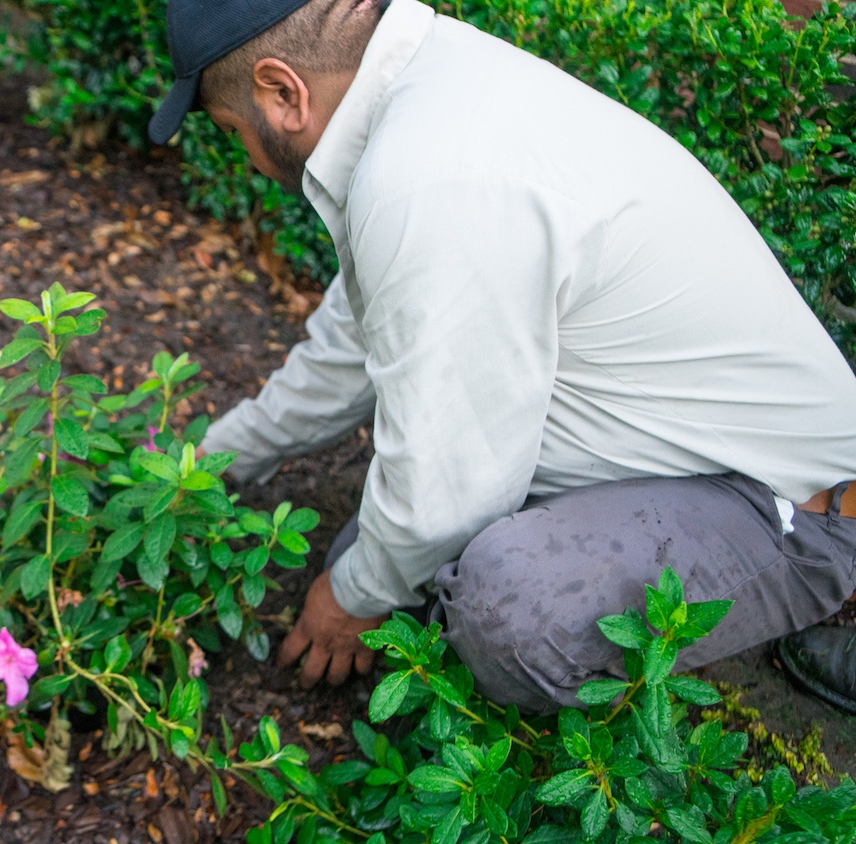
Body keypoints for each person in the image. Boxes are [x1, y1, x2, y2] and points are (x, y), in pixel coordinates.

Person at [148, 0, 856, 713]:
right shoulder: (429, 94)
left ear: (283, 93)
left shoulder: (429, 178)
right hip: (673, 450)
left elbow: (442, 496)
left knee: (506, 610)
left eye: (233, 130)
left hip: (793, 504)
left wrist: (350, 600)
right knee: (382, 570)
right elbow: (344, 354)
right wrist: (207, 467)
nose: (243, 153)